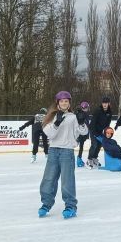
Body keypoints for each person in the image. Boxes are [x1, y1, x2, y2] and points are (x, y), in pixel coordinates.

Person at [38, 91, 89, 219]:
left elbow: (84, 132)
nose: (64, 103)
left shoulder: (73, 117)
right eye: (62, 101)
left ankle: (70, 206)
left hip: (67, 151)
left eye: (66, 101)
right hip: (53, 151)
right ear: (58, 103)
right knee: (48, 179)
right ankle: (46, 204)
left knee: (67, 181)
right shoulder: (52, 116)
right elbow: (49, 134)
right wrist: (57, 123)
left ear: (69, 103)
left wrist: (82, 122)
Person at [86, 95, 113, 168]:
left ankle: (94, 158)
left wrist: (106, 131)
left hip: (100, 131)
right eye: (103, 103)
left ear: (109, 103)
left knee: (99, 145)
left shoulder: (109, 112)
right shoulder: (98, 110)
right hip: (93, 129)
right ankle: (89, 159)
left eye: (106, 103)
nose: (104, 104)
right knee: (94, 144)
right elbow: (93, 122)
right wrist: (94, 133)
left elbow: (108, 123)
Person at [75, 101, 91, 167]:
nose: (86, 109)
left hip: (83, 132)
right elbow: (80, 124)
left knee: (81, 146)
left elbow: (86, 123)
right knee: (81, 146)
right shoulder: (81, 114)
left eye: (87, 108)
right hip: (81, 133)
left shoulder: (84, 114)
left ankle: (79, 158)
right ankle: (79, 159)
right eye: (85, 108)